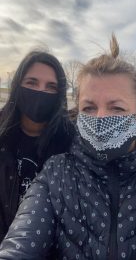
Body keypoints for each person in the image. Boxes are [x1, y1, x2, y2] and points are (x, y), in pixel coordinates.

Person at [0, 35, 136, 260]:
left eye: (116, 108)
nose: (101, 117)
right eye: (89, 107)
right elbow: (20, 245)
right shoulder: (57, 174)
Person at [0, 50, 74, 243]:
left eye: (51, 87)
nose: (41, 92)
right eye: (32, 83)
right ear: (17, 86)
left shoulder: (72, 141)